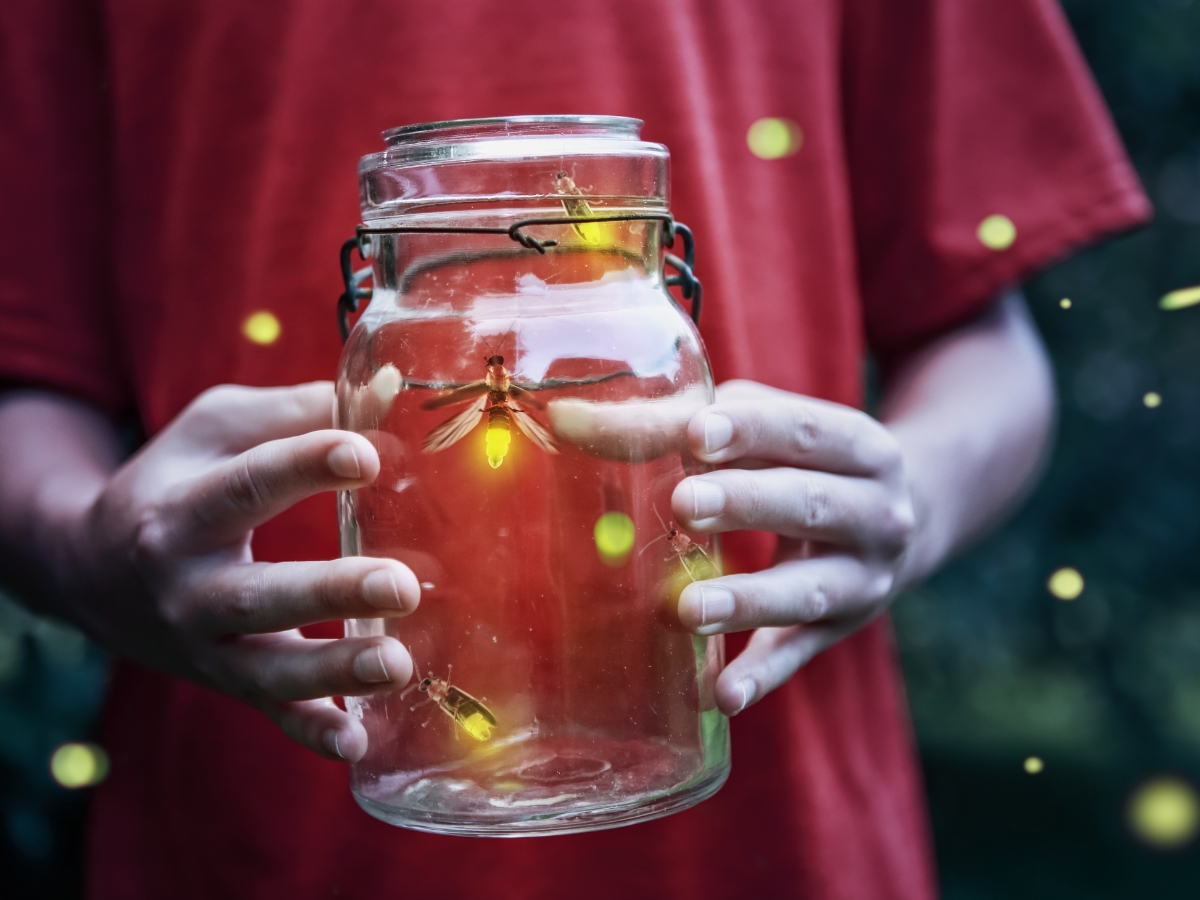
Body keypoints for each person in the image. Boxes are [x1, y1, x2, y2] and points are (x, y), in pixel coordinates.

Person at [0, 1, 1149, 897]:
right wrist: (78, 543)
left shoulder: (630, 320)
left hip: (781, 845)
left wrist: (923, 495)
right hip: (249, 838)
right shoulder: (399, 326)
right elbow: (28, 376)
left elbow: (988, 347)